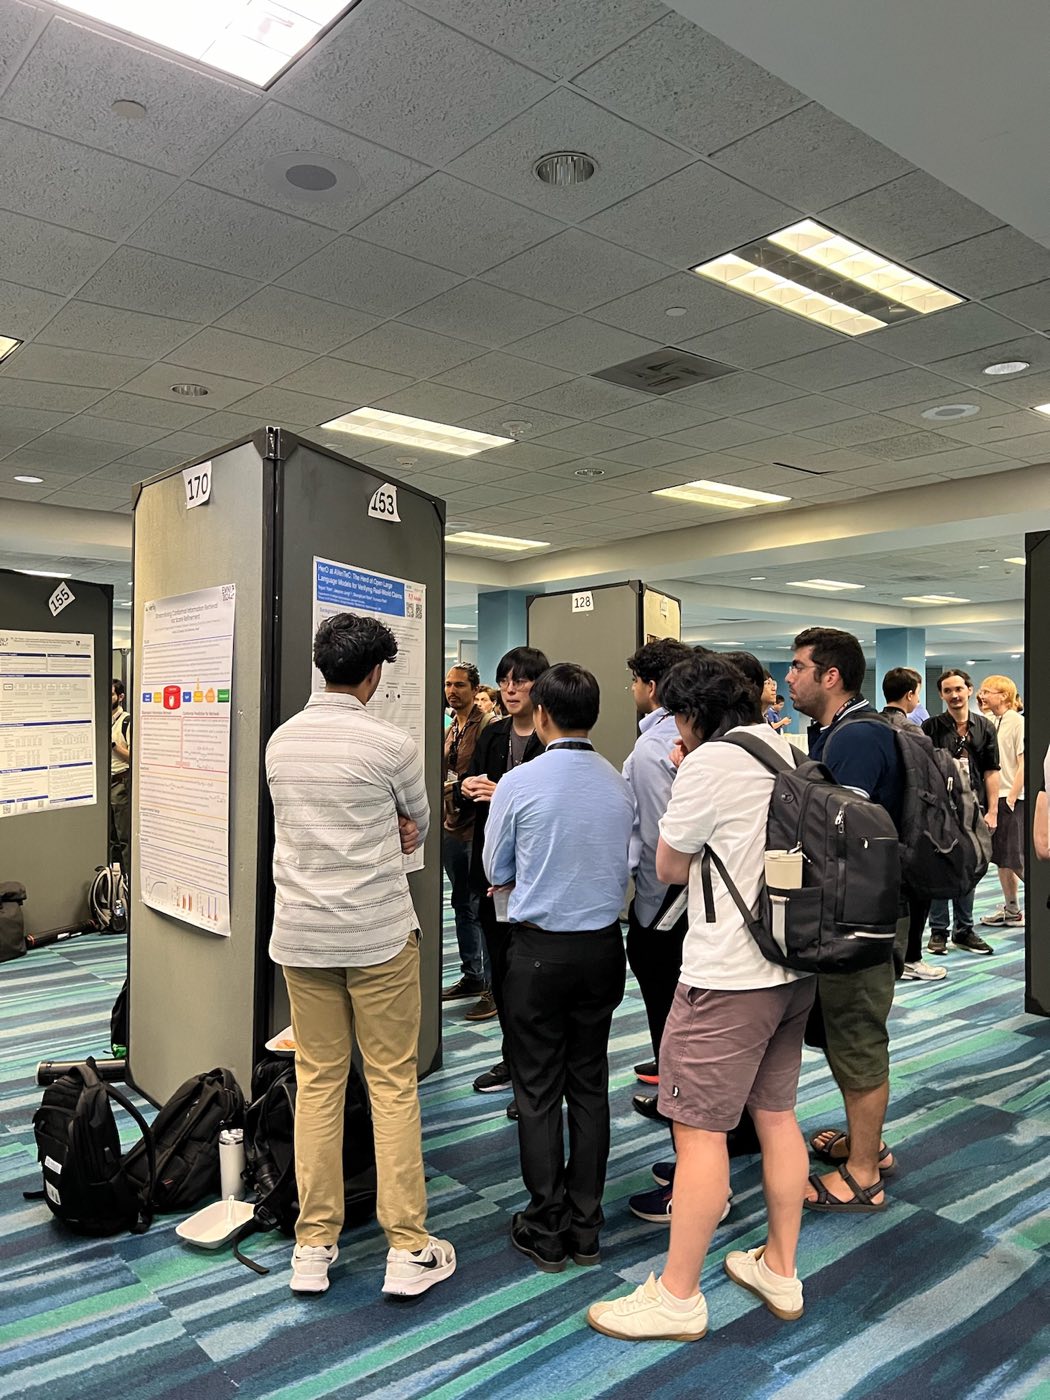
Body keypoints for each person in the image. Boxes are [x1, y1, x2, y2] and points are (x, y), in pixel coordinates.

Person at [588, 655, 814, 1340]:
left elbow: (668, 867)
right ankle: (779, 1266)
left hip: (725, 977)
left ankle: (678, 1295)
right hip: (790, 966)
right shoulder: (788, 747)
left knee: (698, 1131)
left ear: (691, 715)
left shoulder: (709, 763)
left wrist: (687, 776)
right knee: (776, 1117)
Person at [266, 612, 455, 1298]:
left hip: (302, 936)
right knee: (391, 1082)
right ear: (375, 674)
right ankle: (406, 1246)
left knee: (318, 1082)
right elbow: (419, 828)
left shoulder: (281, 743)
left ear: (323, 666)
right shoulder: (391, 744)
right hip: (376, 936)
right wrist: (394, 827)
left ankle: (312, 1246)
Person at [484, 663, 634, 1273]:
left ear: (541, 714)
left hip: (538, 951)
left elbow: (496, 868)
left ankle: (546, 1226)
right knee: (590, 1083)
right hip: (602, 950)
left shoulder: (520, 783)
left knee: (538, 1090)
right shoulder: (618, 781)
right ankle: (587, 1224)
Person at [787, 627, 905, 1213]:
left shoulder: (854, 739)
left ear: (829, 676)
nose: (789, 677)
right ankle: (869, 1145)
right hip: (863, 910)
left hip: (862, 917)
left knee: (858, 1035)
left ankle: (864, 1175)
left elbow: (839, 839)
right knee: (845, 1034)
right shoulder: (846, 731)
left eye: (798, 667)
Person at [460, 646, 548, 1105]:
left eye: (522, 681)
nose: (511, 689)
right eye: (505, 680)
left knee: (531, 982)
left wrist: (508, 796)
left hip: (535, 876)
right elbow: (468, 788)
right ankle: (510, 1057)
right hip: (493, 876)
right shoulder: (494, 735)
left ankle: (533, 1073)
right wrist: (469, 788)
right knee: (501, 971)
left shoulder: (551, 741)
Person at [922, 670, 1000, 956]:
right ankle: (939, 932)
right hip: (940, 811)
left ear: (969, 690)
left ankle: (964, 930)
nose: (954, 695)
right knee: (938, 867)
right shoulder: (931, 727)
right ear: (942, 695)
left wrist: (993, 811)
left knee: (971, 867)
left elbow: (992, 771)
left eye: (959, 689)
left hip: (974, 809)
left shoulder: (985, 727)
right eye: (947, 691)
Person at [881, 667, 946, 984]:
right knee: (919, 892)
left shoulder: (872, 725)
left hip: (878, 824)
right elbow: (927, 784)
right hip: (910, 825)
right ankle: (911, 957)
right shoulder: (913, 731)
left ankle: (895, 957)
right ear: (910, 695)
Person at [440, 663, 496, 1021]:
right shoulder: (449, 726)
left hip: (476, 828)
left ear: (474, 688)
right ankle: (472, 975)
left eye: (459, 685)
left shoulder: (487, 726)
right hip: (451, 826)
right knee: (461, 903)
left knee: (481, 908)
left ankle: (492, 987)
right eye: (448, 684)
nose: (452, 690)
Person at [976, 675, 1025, 929]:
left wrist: (1013, 797)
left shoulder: (1018, 722)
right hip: (995, 798)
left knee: (1015, 858)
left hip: (1011, 799)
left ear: (1004, 695)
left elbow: (1023, 763)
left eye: (987, 691)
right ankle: (1012, 909)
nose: (982, 696)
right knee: (1002, 858)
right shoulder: (990, 722)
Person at [109, 679, 132, 878]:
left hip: (120, 784)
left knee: (123, 837)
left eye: (112, 694)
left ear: (120, 697)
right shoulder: (102, 720)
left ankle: (126, 882)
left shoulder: (126, 721)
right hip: (104, 785)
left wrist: (114, 745)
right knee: (109, 839)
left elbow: (134, 757)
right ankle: (112, 881)